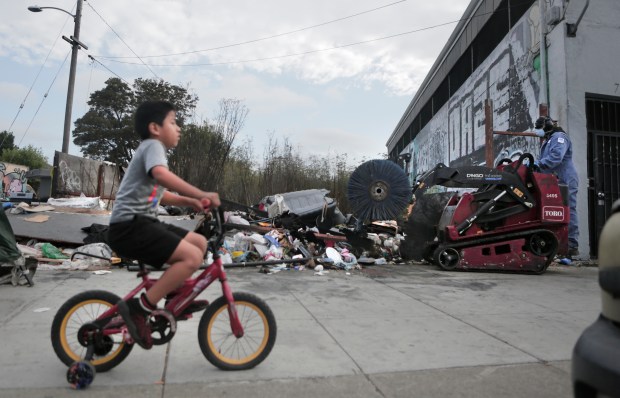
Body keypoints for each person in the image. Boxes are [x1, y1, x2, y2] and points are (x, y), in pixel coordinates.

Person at [108, 100, 220, 349]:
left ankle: (175, 296)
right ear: (155, 128)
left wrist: (191, 201)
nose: (178, 128)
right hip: (130, 227)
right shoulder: (153, 146)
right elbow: (161, 176)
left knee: (199, 242)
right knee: (191, 258)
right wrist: (201, 192)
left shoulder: (151, 151)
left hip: (140, 223)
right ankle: (141, 309)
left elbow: (161, 194)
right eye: (173, 122)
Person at [533, 115, 579, 257]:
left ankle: (571, 245)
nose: (538, 132)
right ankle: (557, 245)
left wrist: (538, 165)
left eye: (539, 129)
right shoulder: (547, 141)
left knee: (568, 209)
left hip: (565, 178)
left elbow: (556, 157)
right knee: (554, 211)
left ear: (546, 126)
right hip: (553, 180)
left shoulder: (560, 137)